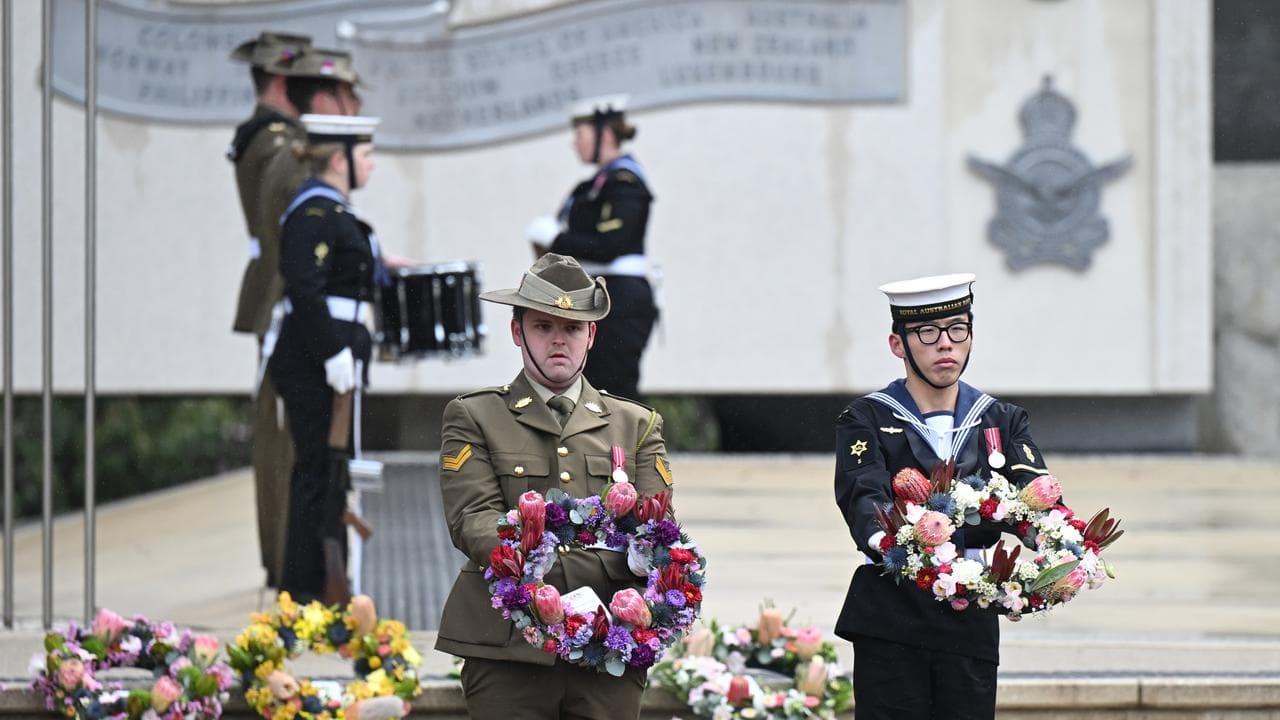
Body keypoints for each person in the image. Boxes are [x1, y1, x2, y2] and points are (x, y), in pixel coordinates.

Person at [435, 253, 676, 720]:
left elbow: (654, 529)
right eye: (544, 326)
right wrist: (538, 580)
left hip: (608, 641)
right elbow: (473, 520)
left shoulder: (637, 424)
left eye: (571, 328)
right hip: (509, 642)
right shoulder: (475, 416)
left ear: (591, 335)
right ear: (517, 332)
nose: (558, 340)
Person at [832, 274, 1050, 719]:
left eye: (957, 329)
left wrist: (1056, 542)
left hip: (969, 613)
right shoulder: (867, 417)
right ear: (898, 344)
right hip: (894, 612)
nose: (945, 345)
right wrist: (889, 542)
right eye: (927, 333)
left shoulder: (1001, 419)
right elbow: (862, 493)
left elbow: (1035, 495)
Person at [228, 38, 367, 589]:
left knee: (293, 452)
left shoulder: (275, 141)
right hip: (294, 310)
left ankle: (293, 569)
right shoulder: (285, 148)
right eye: (344, 95)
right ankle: (296, 574)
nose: (352, 109)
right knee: (298, 455)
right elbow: (297, 243)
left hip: (289, 305)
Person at [267, 113, 386, 603]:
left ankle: (322, 592)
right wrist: (332, 351)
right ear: (338, 159)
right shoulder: (313, 212)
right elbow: (304, 285)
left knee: (331, 474)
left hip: (333, 352)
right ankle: (307, 593)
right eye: (365, 155)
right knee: (320, 474)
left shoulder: (333, 211)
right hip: (317, 357)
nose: (371, 164)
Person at [527, 95, 658, 401]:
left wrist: (556, 240)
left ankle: (623, 452)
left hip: (620, 302)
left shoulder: (625, 183)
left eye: (581, 135)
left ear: (606, 134)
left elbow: (611, 245)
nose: (575, 144)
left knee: (615, 396)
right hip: (593, 298)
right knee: (587, 395)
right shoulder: (591, 187)